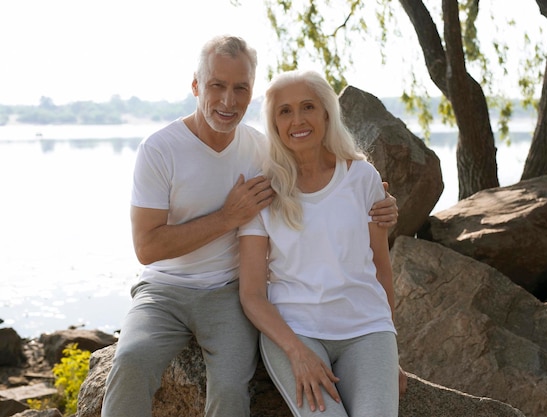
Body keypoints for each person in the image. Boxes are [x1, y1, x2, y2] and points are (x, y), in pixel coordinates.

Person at [101, 35, 399, 417]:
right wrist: (228, 217)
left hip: (228, 291)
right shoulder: (159, 150)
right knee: (130, 361)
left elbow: (333, 193)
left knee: (229, 384)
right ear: (196, 86)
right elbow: (146, 248)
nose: (228, 100)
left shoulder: (262, 152)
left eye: (240, 88)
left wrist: (384, 206)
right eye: (217, 86)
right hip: (164, 290)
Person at [238, 69, 406, 417]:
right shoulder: (263, 191)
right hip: (296, 330)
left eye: (308, 107)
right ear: (273, 123)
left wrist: (390, 355)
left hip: (366, 329)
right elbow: (252, 294)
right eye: (284, 111)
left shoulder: (362, 178)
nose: (297, 120)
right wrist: (297, 353)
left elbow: (381, 269)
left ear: (327, 113)